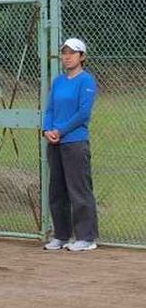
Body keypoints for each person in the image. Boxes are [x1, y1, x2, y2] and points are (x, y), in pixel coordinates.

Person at [43, 37, 99, 252]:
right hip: (54, 143)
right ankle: (61, 235)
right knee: (57, 191)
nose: (67, 57)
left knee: (79, 191)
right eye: (64, 53)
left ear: (82, 57)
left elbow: (83, 113)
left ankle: (86, 238)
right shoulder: (58, 81)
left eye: (72, 53)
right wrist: (47, 130)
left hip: (75, 142)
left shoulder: (86, 81)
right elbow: (50, 109)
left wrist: (61, 131)